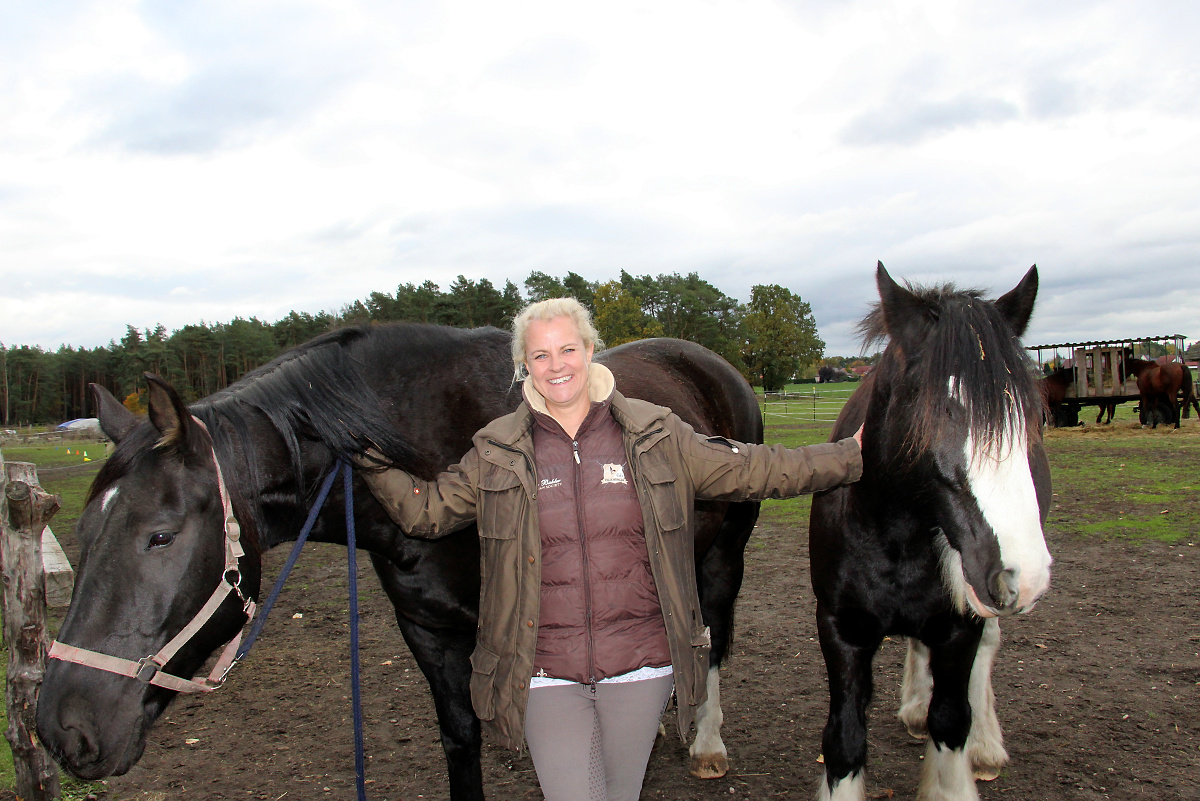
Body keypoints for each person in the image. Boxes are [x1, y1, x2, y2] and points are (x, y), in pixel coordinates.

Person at [357, 297, 863, 801]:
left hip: (640, 665)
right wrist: (367, 456)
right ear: (525, 367)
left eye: (568, 349)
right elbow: (426, 511)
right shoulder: (499, 449)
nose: (557, 366)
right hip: (544, 668)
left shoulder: (652, 432)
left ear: (591, 350)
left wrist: (850, 454)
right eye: (540, 355)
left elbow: (756, 469)